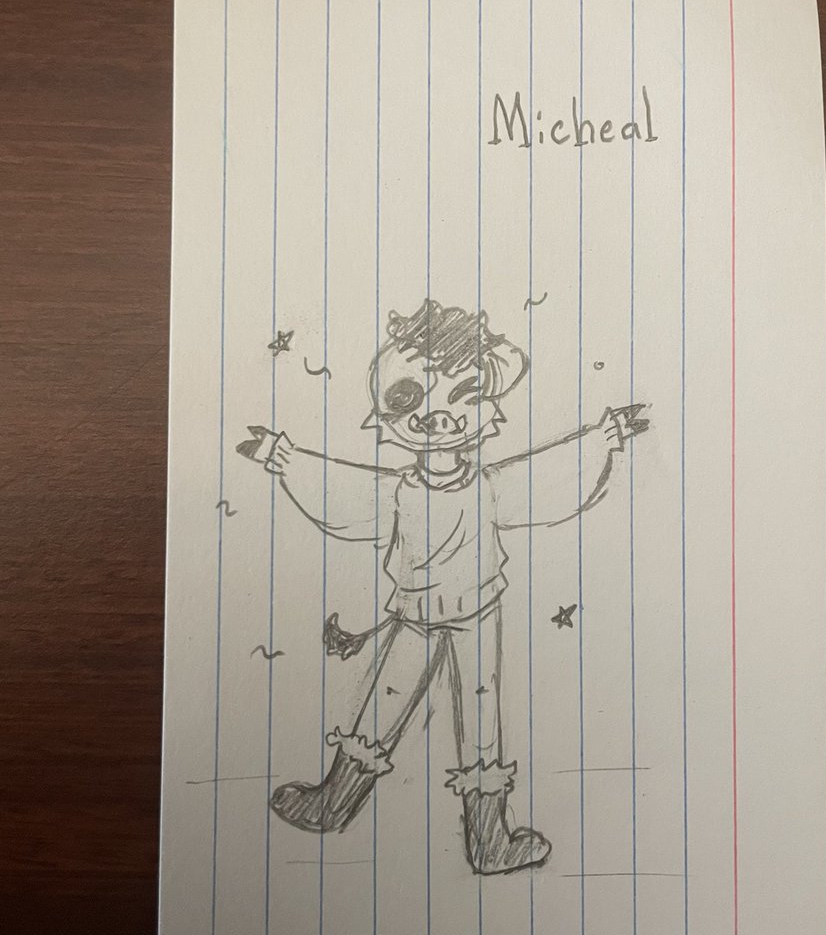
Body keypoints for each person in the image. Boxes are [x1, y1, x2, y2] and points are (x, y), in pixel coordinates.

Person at [239, 299, 648, 875]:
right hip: (414, 613)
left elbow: (549, 476)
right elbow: (342, 494)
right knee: (385, 699)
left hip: (478, 613)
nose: (441, 418)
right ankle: (332, 803)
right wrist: (283, 456)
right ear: (386, 414)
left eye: (465, 395)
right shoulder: (398, 490)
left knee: (481, 719)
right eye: (412, 400)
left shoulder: (491, 485)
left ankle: (489, 840)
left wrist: (604, 436)